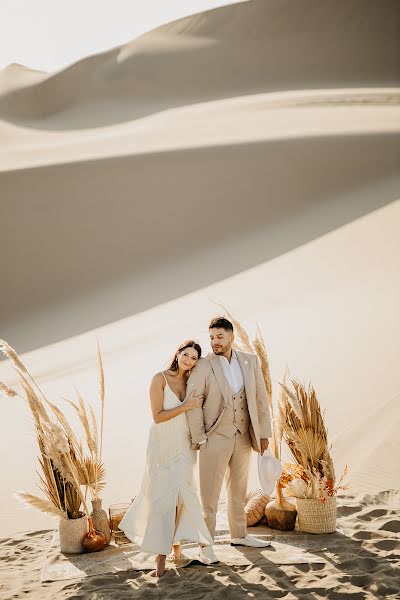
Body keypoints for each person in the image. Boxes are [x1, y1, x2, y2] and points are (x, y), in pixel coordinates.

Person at [119, 340, 213, 577]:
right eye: (186, 354)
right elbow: (158, 416)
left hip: (184, 443)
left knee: (182, 496)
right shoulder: (159, 379)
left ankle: (179, 548)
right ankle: (161, 556)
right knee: (164, 498)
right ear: (178, 353)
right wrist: (188, 405)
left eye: (193, 358)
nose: (189, 360)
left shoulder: (191, 381)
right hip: (162, 445)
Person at [185, 317, 272, 563]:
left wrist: (263, 434)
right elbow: (193, 402)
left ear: (231, 337)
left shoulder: (250, 361)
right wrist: (199, 437)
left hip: (243, 436)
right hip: (214, 438)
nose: (214, 342)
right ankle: (205, 545)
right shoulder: (203, 365)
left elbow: (260, 399)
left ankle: (239, 534)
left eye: (219, 337)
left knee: (238, 490)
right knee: (209, 497)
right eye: (211, 337)